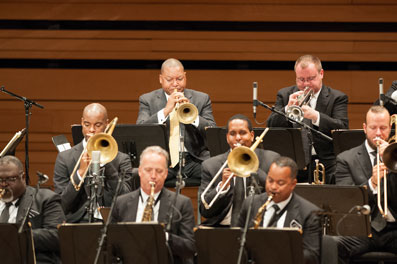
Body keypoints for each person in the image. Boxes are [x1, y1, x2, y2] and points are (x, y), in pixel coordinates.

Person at [266, 54, 348, 183]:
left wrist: (316, 116)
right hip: (294, 164)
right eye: (301, 79)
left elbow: (342, 128)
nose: (306, 84)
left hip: (326, 165)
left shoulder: (337, 97)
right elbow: (270, 126)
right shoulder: (285, 94)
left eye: (310, 79)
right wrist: (287, 109)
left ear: (321, 73)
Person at [136, 58, 216, 186]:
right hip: (164, 161)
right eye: (169, 80)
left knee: (217, 171)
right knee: (137, 174)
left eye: (179, 79)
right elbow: (141, 129)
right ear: (161, 79)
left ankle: (206, 205)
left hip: (195, 160)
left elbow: (212, 130)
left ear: (185, 76)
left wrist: (193, 116)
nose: (175, 84)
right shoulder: (147, 100)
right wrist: (166, 110)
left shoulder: (202, 98)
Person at [111, 146, 195, 264]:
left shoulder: (181, 203)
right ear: (139, 171)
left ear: (166, 174)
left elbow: (190, 248)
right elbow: (110, 246)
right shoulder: (121, 203)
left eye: (159, 171)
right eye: (148, 170)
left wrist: (163, 236)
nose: (153, 176)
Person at [335, 105, 397, 262]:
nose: (378, 133)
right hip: (363, 229)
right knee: (331, 244)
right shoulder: (346, 159)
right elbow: (346, 201)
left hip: (395, 229)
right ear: (364, 128)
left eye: (383, 128)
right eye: (373, 127)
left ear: (390, 128)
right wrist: (372, 183)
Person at [53, 103, 133, 223]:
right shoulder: (65, 158)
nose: (91, 130)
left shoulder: (122, 159)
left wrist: (106, 162)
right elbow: (61, 205)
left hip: (109, 223)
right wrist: (79, 173)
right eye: (87, 124)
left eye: (98, 125)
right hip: (77, 223)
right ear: (81, 122)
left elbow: (127, 200)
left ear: (106, 124)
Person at [199, 114, 280, 227]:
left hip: (260, 228)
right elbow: (205, 210)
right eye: (232, 134)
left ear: (252, 136)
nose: (238, 138)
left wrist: (254, 168)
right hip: (223, 227)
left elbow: (278, 196)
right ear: (227, 138)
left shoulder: (271, 159)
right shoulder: (210, 165)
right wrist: (223, 186)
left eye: (242, 133)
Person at [238, 156, 321, 264]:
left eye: (280, 183)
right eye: (270, 180)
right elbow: (236, 241)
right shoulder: (251, 203)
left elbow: (312, 256)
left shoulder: (309, 213)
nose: (273, 187)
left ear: (293, 184)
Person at [0, 155, 66, 263]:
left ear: (23, 177)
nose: (3, 184)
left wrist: (17, 237)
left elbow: (57, 235)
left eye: (10, 179)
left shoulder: (45, 199)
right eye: (0, 180)